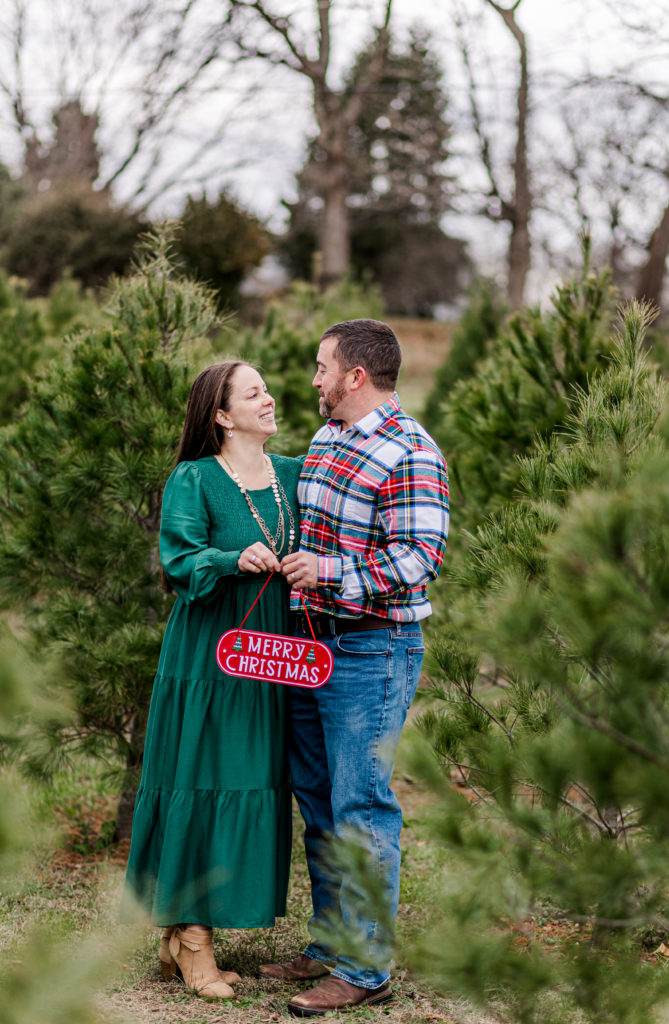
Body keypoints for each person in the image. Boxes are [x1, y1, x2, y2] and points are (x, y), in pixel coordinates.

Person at [260, 319, 450, 1016]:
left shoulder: (410, 452)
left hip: (373, 650)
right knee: (318, 798)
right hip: (312, 647)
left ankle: (365, 971)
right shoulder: (327, 437)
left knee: (362, 806)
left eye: (322, 367)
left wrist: (331, 571)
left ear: (356, 375)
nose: (313, 380)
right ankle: (331, 944)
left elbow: (417, 560)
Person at [123, 360, 301, 999]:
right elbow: (179, 560)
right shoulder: (193, 478)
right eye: (253, 393)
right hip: (209, 649)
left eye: (267, 389)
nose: (270, 399)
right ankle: (192, 935)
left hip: (269, 653)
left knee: (251, 778)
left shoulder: (291, 474)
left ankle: (185, 932)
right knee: (201, 775)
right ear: (221, 415)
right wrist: (232, 558)